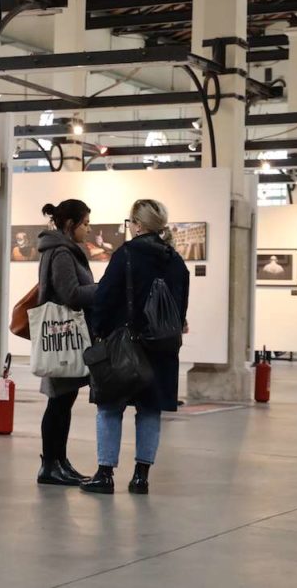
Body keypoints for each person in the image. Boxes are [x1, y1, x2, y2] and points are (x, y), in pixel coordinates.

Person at [82, 199, 189, 495]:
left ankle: (105, 473)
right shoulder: (176, 260)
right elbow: (180, 309)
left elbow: (104, 297)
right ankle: (141, 477)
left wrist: (99, 332)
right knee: (150, 410)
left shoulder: (126, 255)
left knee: (109, 408)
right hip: (163, 349)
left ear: (138, 225)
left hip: (125, 346)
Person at [35, 200, 97, 486]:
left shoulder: (64, 249)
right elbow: (70, 294)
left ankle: (59, 461)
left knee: (63, 401)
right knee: (58, 403)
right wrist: (101, 289)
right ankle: (50, 465)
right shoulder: (61, 252)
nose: (88, 228)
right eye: (85, 223)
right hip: (61, 339)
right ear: (71, 224)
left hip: (65, 338)